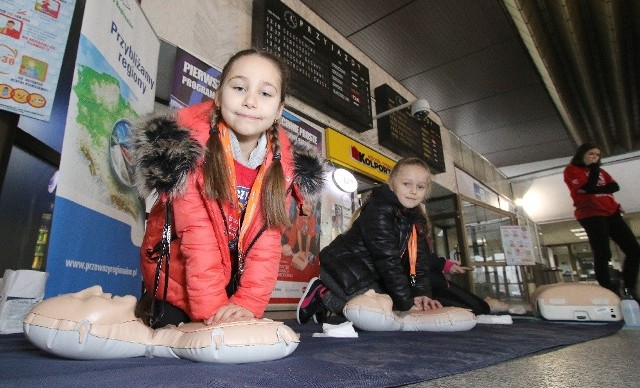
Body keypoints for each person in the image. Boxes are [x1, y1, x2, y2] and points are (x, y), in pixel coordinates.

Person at [132, 48, 324, 328]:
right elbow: (199, 240)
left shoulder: (281, 168)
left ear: (279, 109)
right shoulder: (189, 148)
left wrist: (247, 305)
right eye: (239, 87)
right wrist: (213, 314)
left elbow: (266, 246)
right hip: (176, 283)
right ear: (219, 95)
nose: (250, 101)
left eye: (265, 93)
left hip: (229, 287)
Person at [296, 157, 443, 324]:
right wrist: (407, 305)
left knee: (388, 312)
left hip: (368, 275)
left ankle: (326, 302)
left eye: (420, 186)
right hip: (341, 267)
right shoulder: (379, 210)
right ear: (392, 183)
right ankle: (322, 293)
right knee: (376, 316)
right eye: (406, 184)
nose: (413, 191)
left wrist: (421, 295)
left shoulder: (415, 220)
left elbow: (419, 262)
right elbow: (388, 261)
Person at [564, 143, 640, 300]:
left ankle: (628, 288)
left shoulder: (602, 172)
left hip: (612, 212)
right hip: (591, 214)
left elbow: (614, 187)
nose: (595, 157)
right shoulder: (572, 170)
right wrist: (594, 173)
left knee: (634, 250)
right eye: (591, 154)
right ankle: (609, 290)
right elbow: (589, 186)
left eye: (597, 155)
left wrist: (593, 189)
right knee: (603, 252)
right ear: (582, 154)